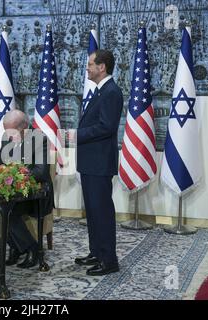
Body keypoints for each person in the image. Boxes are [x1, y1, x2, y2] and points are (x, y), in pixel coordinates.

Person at [0, 109, 54, 268]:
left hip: (33, 195)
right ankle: (15, 246)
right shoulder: (7, 138)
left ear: (23, 128)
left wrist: (13, 174)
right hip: (8, 193)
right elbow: (0, 164)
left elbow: (41, 172)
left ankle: (33, 249)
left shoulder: (39, 139)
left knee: (8, 211)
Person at [73, 49, 123, 276]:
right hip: (91, 161)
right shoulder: (101, 91)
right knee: (93, 211)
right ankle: (96, 252)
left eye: (91, 64)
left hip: (99, 162)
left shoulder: (111, 92)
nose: (87, 68)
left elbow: (107, 127)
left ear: (102, 67)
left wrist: (76, 136)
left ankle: (109, 260)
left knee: (101, 211)